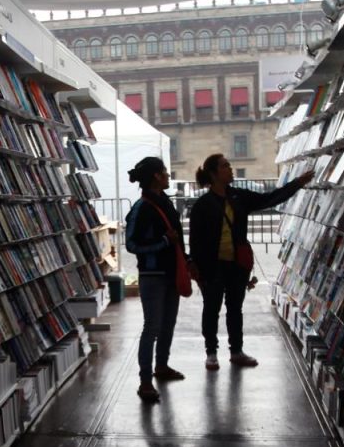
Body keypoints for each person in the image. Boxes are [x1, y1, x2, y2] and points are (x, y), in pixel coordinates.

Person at [188, 155, 313, 369]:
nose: (230, 168)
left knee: (235, 308)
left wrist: (297, 184)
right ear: (214, 174)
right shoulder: (203, 204)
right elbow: (195, 240)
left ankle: (236, 351)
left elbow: (270, 199)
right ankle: (211, 352)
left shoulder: (239, 196)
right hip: (213, 265)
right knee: (212, 308)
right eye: (225, 166)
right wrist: (197, 269)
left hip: (237, 264)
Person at [124, 156, 187, 402]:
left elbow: (176, 238)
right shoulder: (141, 208)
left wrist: (186, 259)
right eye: (164, 173)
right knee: (152, 327)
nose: (168, 176)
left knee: (167, 324)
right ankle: (145, 380)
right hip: (153, 276)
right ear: (155, 177)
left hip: (169, 272)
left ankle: (161, 366)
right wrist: (163, 243)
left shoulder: (164, 202)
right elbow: (131, 244)